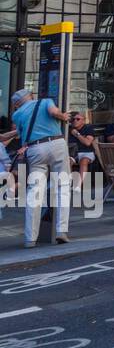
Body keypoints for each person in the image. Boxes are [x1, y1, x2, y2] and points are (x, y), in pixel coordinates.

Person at [10, 88, 73, 247]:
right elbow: (53, 112)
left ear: (17, 104)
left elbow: (19, 133)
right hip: (56, 144)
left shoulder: (16, 115)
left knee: (34, 192)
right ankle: (61, 231)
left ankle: (30, 238)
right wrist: (63, 116)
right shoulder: (45, 101)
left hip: (35, 149)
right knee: (62, 187)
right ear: (30, 96)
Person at [67, 112, 97, 191]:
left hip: (87, 152)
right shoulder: (68, 129)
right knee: (67, 162)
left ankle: (78, 186)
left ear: (83, 121)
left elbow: (87, 143)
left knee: (84, 161)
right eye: (73, 119)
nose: (75, 121)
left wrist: (77, 134)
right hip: (73, 153)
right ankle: (69, 184)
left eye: (78, 119)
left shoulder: (88, 128)